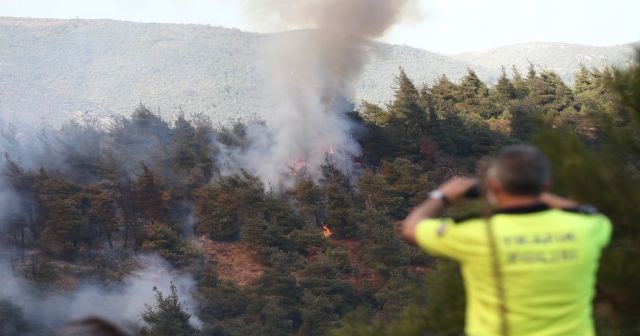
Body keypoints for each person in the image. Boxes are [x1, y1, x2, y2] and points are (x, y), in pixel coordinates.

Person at [402, 145, 612, 336]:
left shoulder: (474, 234)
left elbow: (411, 229)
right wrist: (538, 194)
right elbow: (585, 212)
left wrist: (443, 195)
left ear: (493, 186)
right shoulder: (588, 228)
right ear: (546, 185)